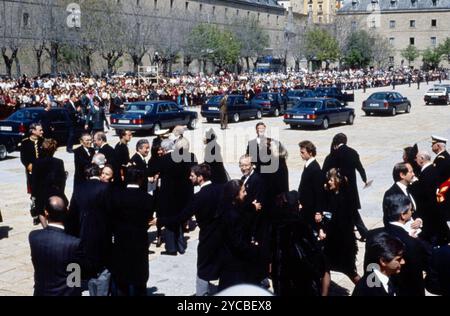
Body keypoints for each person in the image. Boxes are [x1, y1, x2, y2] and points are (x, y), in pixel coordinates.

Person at [155, 164, 224, 296]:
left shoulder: (199, 197)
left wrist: (160, 221)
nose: (189, 178)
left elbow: (181, 217)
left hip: (207, 237)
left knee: (203, 268)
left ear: (200, 177)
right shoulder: (221, 189)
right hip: (221, 235)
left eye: (192, 175)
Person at [66, 164, 112, 290]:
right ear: (99, 173)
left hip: (83, 234)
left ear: (87, 175)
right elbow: (111, 213)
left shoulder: (78, 189)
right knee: (102, 269)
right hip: (102, 235)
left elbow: (72, 215)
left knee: (81, 268)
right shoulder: (106, 188)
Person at [110, 167, 154, 296]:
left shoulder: (116, 196)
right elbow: (148, 220)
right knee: (139, 277)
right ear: (140, 179)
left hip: (120, 241)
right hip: (139, 241)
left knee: (121, 277)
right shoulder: (147, 198)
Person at [29, 196, 82, 296]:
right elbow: (77, 274)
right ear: (66, 212)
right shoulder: (74, 243)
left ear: (46, 212)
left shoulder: (33, 237)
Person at [323, 133, 370, 241]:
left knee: (342, 210)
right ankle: (364, 233)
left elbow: (327, 171)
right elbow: (360, 167)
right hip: (351, 188)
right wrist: (365, 179)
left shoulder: (334, 154)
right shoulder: (353, 152)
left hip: (339, 188)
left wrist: (326, 182)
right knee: (353, 211)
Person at [321, 168, 361, 296]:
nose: (329, 182)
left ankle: (369, 291)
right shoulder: (337, 195)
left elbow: (338, 223)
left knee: (349, 271)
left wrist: (326, 233)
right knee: (326, 268)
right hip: (337, 242)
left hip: (340, 243)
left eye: (331, 180)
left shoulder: (341, 199)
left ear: (337, 181)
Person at [383, 194, 431, 296]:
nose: (412, 212)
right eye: (410, 210)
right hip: (410, 288)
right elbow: (425, 261)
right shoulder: (411, 243)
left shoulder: (376, 234)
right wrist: (415, 240)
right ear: (403, 215)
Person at [218, 180, 262, 291]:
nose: (246, 193)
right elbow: (238, 243)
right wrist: (253, 248)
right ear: (235, 195)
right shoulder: (233, 216)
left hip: (227, 258)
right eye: (243, 191)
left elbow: (242, 208)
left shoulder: (227, 206)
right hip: (235, 263)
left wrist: (252, 207)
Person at [352, 232, 405, 296]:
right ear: (383, 261)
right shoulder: (368, 291)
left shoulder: (392, 275)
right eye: (398, 259)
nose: (403, 262)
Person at [415, 151, 450, 246]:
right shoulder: (433, 169)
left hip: (431, 219)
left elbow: (426, 198)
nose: (415, 160)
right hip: (438, 215)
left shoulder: (426, 174)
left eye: (416, 158)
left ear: (422, 159)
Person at [31, 138, 67, 227]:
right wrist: (61, 191)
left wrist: (34, 194)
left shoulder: (37, 162)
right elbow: (61, 179)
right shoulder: (59, 162)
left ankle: (45, 227)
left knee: (40, 210)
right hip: (55, 190)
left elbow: (34, 180)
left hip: (41, 191)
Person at [382, 162, 423, 231]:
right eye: (411, 172)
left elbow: (415, 209)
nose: (413, 174)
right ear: (402, 175)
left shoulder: (411, 188)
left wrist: (419, 220)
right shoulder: (391, 194)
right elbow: (388, 220)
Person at [297, 140, 325, 227]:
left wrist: (318, 212)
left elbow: (319, 191)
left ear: (310, 152)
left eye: (303, 152)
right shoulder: (308, 165)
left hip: (311, 208)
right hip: (305, 206)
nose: (301, 155)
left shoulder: (315, 169)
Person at [20, 123, 44, 195]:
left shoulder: (43, 141)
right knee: (33, 188)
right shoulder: (25, 142)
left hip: (42, 168)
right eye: (40, 130)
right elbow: (23, 157)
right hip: (31, 169)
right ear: (33, 131)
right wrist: (28, 165)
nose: (42, 132)